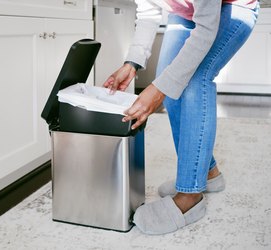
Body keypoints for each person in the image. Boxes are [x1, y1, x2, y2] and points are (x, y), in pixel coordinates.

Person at [103, 0, 259, 235]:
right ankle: (208, 172)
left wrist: (158, 90)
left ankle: (190, 196)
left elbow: (206, 29)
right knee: (170, 82)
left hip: (231, 8)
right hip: (185, 12)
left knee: (194, 78)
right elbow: (148, 11)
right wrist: (132, 62)